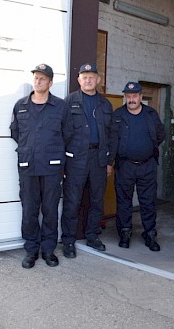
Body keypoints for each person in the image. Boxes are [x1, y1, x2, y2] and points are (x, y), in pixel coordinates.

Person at [10, 63, 72, 268]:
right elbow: (15, 133)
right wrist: (30, 149)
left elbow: (68, 134)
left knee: (50, 210)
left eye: (42, 78)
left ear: (50, 83)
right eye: (36, 77)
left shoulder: (61, 107)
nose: (38, 81)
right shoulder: (21, 105)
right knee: (29, 210)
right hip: (28, 167)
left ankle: (48, 250)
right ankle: (31, 250)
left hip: (52, 168)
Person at [60, 63, 114, 258]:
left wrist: (109, 161)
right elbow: (62, 133)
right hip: (76, 159)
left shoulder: (105, 104)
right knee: (72, 201)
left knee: (96, 200)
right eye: (84, 77)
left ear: (98, 80)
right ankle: (68, 241)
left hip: (98, 159)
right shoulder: (69, 102)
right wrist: (63, 162)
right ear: (79, 80)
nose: (88, 80)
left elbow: (111, 135)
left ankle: (92, 236)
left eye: (92, 77)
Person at [110, 82, 165, 251]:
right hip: (124, 166)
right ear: (125, 97)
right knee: (124, 202)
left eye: (135, 96)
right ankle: (125, 233)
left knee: (148, 202)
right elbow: (112, 139)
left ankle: (149, 234)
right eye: (128, 96)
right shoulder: (118, 115)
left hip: (147, 166)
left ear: (141, 97)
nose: (131, 99)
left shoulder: (151, 114)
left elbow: (160, 135)